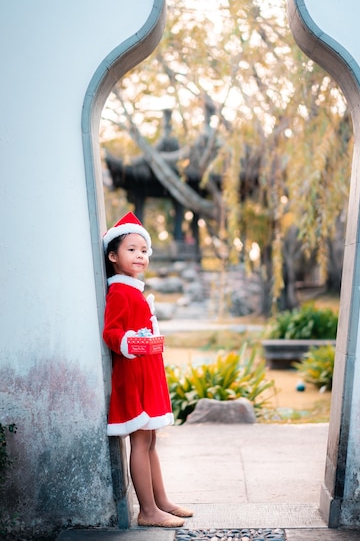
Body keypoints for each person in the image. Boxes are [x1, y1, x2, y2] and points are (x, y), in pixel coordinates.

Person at [102, 211, 193, 528]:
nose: (140, 255)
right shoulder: (119, 292)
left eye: (143, 250)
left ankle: (161, 500)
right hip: (133, 374)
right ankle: (147, 510)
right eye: (131, 249)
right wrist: (133, 343)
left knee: (151, 440)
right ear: (113, 256)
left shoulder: (134, 290)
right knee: (140, 441)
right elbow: (112, 334)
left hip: (147, 372)